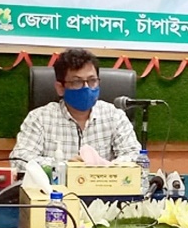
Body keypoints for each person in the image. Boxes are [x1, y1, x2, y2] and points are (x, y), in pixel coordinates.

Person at [10, 48, 141, 170]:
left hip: (103, 185)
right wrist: (64, 166)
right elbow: (19, 159)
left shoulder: (114, 116)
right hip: (56, 186)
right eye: (77, 82)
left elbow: (134, 154)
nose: (87, 88)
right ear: (60, 88)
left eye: (92, 80)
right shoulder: (40, 118)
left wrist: (105, 168)